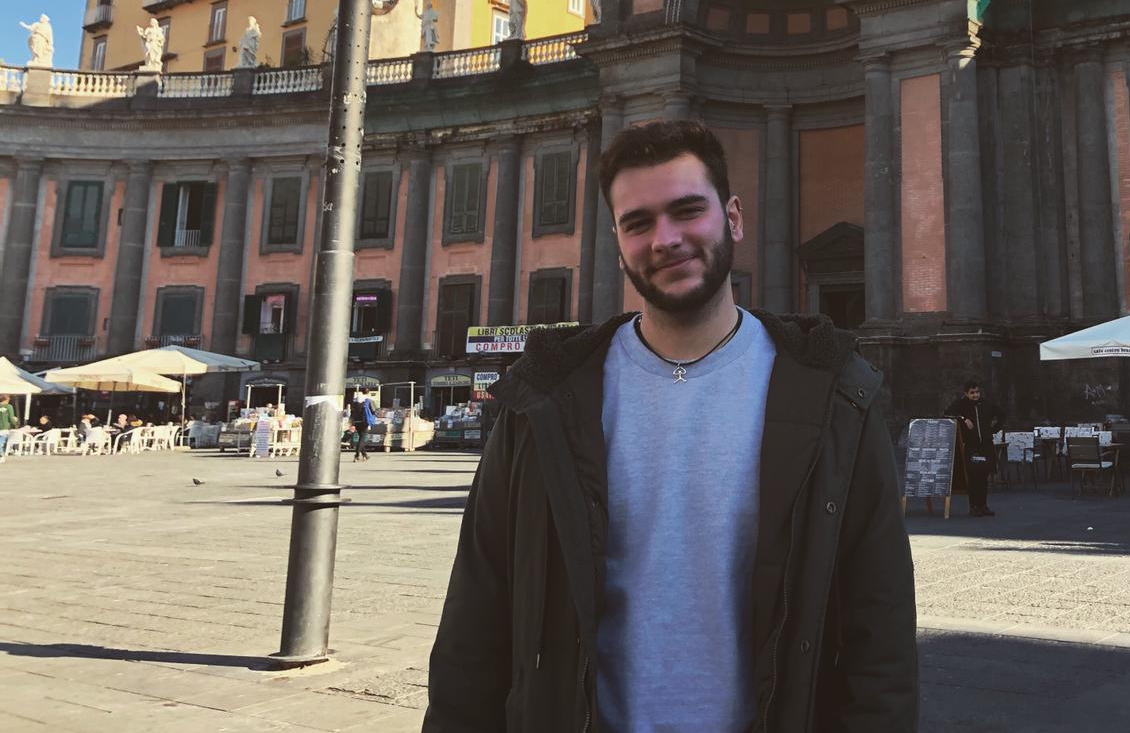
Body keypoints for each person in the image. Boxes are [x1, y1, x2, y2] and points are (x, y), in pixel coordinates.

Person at [426, 120, 916, 732]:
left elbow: (880, 627)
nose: (666, 239)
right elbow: (476, 614)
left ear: (732, 218)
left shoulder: (836, 396)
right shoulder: (542, 400)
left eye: (688, 211)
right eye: (638, 222)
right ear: (618, 243)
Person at [945, 379, 1004, 517]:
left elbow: (1001, 414)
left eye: (977, 392)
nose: (975, 395)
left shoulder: (985, 404)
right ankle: (974, 506)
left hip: (985, 444)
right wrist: (963, 419)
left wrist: (993, 429)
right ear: (966, 393)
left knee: (984, 474)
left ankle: (983, 505)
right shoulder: (961, 404)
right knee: (973, 476)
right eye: (972, 393)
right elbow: (947, 414)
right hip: (971, 445)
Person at [349, 390, 375, 461]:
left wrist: (352, 423)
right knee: (362, 439)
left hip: (356, 422)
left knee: (361, 437)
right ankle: (357, 454)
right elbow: (373, 410)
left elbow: (351, 412)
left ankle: (365, 455)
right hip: (364, 421)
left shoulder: (355, 402)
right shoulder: (368, 401)